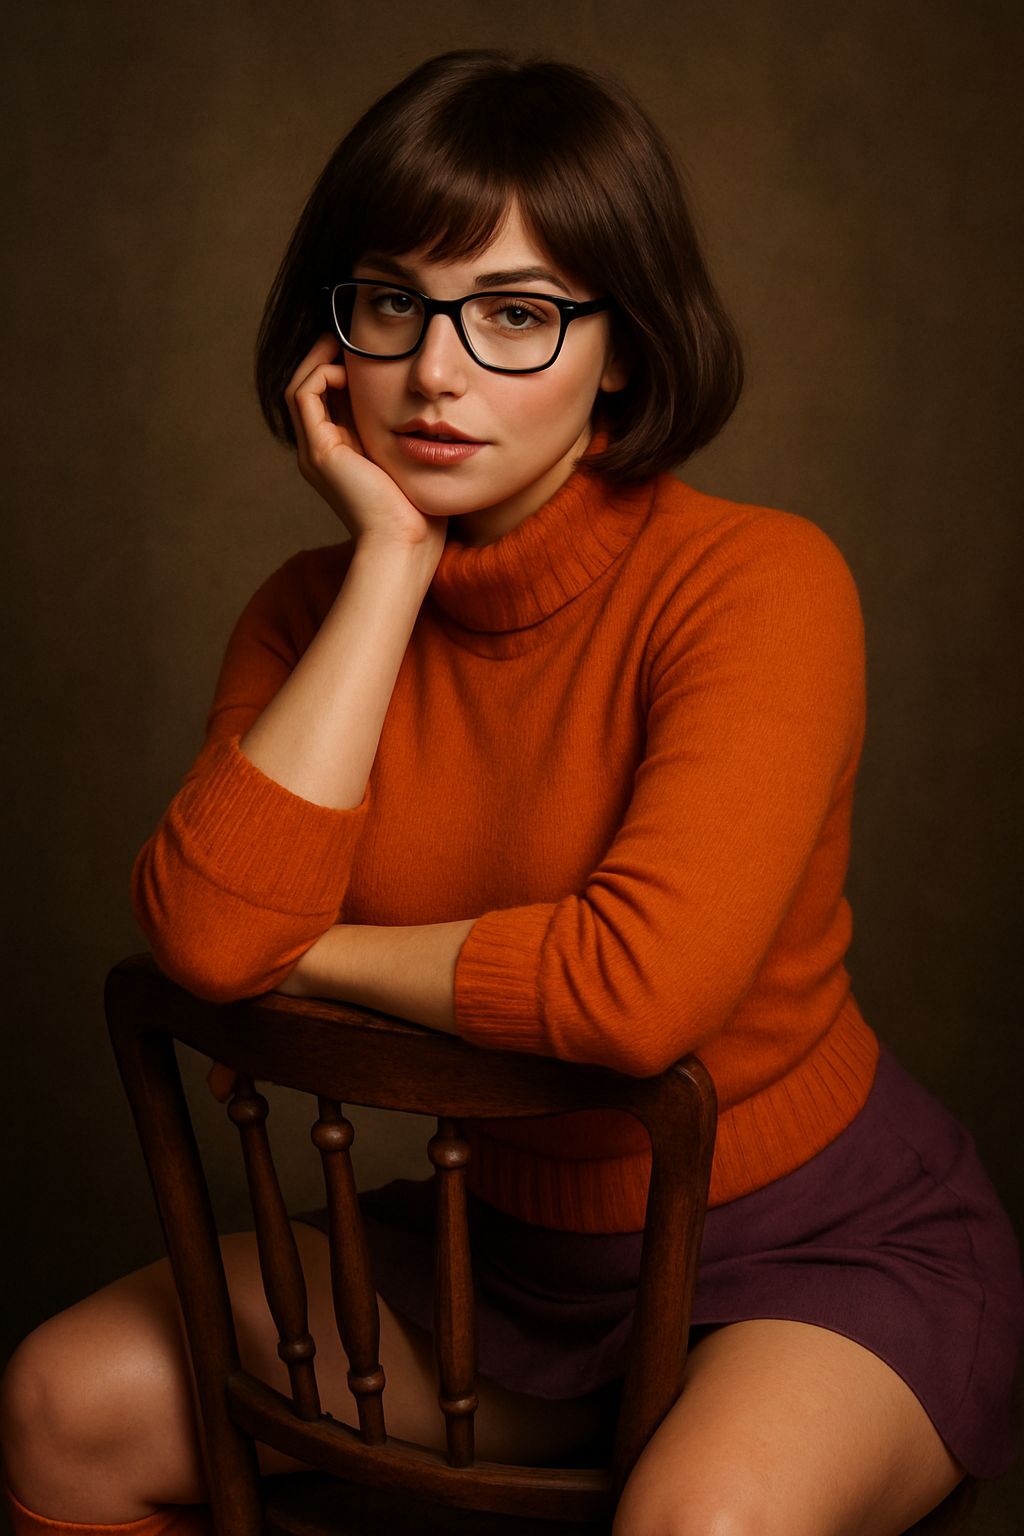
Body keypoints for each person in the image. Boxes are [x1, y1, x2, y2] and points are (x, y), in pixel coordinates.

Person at [1, 47, 1020, 1536]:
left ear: (626, 346)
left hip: (813, 1254)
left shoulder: (758, 584)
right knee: (54, 1406)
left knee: (700, 1528)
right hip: (493, 1258)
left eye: (519, 315)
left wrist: (319, 955)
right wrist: (391, 567)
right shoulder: (311, 615)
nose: (436, 371)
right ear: (330, 332)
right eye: (393, 303)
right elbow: (213, 939)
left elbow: (633, 991)